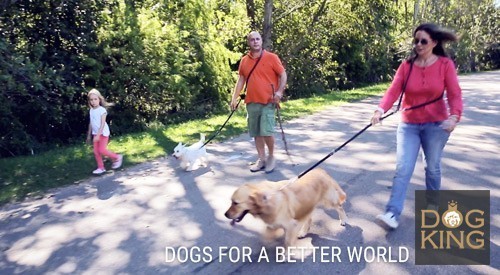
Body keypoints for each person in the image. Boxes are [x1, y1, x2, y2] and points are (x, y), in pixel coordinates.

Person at [370, 23, 463, 229]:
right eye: (416, 40)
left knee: (432, 167)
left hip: (437, 125)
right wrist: (380, 110)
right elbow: (393, 91)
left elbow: (454, 94)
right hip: (409, 124)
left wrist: (454, 116)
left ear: (434, 43)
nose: (418, 44)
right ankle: (392, 213)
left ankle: (432, 204)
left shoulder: (445, 65)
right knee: (403, 168)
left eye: (423, 41)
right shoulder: (407, 65)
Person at [231, 31, 287, 173]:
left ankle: (271, 157)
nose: (255, 41)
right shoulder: (244, 60)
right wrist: (234, 97)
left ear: (261, 41)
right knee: (256, 132)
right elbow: (241, 80)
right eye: (252, 40)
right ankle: (261, 159)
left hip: (268, 101)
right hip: (251, 102)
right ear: (249, 43)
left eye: (257, 39)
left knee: (266, 131)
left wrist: (279, 92)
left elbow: (283, 74)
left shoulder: (272, 58)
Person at [86, 89, 123, 175]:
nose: (93, 101)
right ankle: (101, 167)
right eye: (91, 100)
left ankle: (117, 157)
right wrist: (89, 135)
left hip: (103, 133)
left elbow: (102, 124)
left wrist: (98, 135)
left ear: (99, 99)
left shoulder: (102, 110)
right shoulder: (91, 111)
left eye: (95, 99)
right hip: (95, 133)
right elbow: (91, 123)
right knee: (96, 152)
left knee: (102, 150)